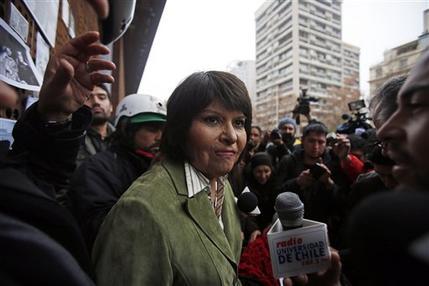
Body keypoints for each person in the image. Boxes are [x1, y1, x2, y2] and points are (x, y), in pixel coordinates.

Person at [92, 71, 250, 285]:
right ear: (180, 129)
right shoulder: (140, 210)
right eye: (213, 120)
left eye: (239, 123)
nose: (231, 136)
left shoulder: (222, 182)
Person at [0, 31, 115, 282]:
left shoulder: (117, 146)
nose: (8, 96)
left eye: (102, 96)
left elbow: (38, 181)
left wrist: (54, 115)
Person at [68, 93, 166, 251]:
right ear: (126, 129)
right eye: (152, 129)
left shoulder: (167, 166)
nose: (160, 137)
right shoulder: (97, 168)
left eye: (165, 130)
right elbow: (102, 230)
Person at [76, 84, 114, 166]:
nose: (96, 102)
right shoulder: (71, 138)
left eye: (102, 97)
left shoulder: (123, 139)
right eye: (88, 98)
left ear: (111, 107)